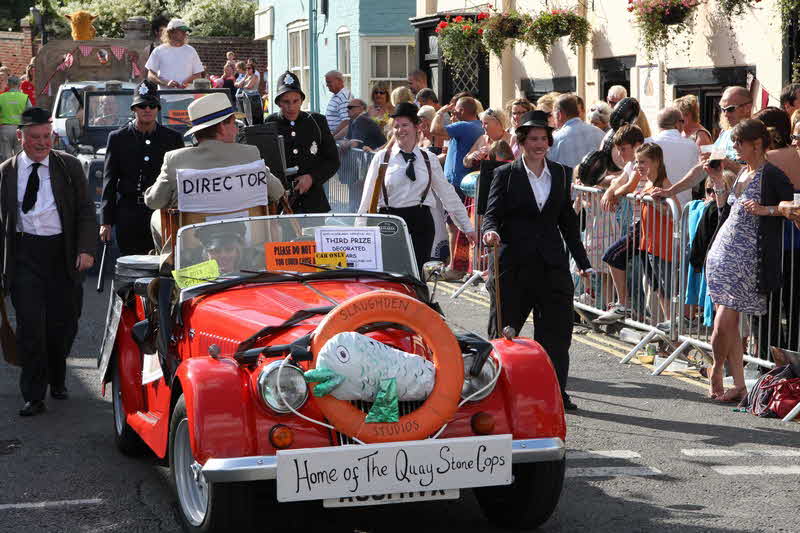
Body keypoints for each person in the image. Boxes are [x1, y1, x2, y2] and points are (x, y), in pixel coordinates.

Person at [482, 109, 592, 411]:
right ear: (522, 141)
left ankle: (556, 391)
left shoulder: (559, 173)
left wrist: (582, 261)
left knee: (556, 335)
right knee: (505, 332)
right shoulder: (505, 175)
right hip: (513, 266)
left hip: (552, 265)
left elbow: (567, 221)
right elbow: (492, 214)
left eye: (544, 138)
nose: (539, 144)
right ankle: (498, 389)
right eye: (533, 138)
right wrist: (490, 231)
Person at [0, 107, 96, 416]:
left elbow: (85, 211)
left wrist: (85, 249)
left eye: (46, 137)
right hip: (25, 255)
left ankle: (57, 376)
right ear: (20, 137)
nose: (42, 143)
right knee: (30, 327)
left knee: (63, 324)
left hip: (62, 254)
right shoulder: (6, 172)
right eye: (35, 138)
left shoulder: (69, 167)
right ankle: (34, 394)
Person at [704, 119, 794, 402]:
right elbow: (728, 212)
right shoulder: (743, 171)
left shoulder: (772, 175)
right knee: (728, 324)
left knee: (723, 322)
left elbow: (793, 206)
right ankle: (740, 385)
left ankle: (717, 369)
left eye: (738, 142)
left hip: (747, 259)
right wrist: (719, 182)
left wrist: (766, 209)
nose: (734, 147)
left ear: (756, 144)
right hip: (721, 253)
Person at [145, 93, 285, 243]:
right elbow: (278, 191)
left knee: (155, 216)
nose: (237, 130)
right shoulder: (249, 154)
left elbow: (154, 202)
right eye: (234, 124)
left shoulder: (176, 160)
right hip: (247, 245)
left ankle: (169, 262)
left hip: (194, 249)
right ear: (222, 127)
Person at [358, 102, 475, 273]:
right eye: (396, 126)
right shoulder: (382, 158)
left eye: (405, 125)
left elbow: (447, 194)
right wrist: (360, 233)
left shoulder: (429, 159)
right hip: (389, 221)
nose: (400, 130)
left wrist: (467, 227)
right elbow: (367, 196)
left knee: (417, 275)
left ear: (417, 127)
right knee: (393, 274)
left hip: (421, 221)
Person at [100, 80, 184, 256]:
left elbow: (180, 180)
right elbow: (110, 180)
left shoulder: (172, 139)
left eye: (152, 105)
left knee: (163, 265)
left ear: (158, 109)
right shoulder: (117, 138)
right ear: (134, 109)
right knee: (130, 266)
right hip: (128, 213)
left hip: (161, 213)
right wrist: (105, 221)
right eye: (142, 105)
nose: (147, 109)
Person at [652, 86, 753, 201]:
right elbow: (701, 169)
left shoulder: (755, 134)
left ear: (747, 108)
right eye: (722, 109)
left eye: (730, 109)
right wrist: (670, 191)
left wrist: (726, 162)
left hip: (743, 202)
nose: (725, 114)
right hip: (721, 201)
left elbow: (758, 173)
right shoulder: (724, 134)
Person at [593, 125, 647, 324]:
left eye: (623, 148)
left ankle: (623, 305)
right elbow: (620, 179)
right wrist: (610, 191)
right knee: (647, 275)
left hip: (646, 223)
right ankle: (628, 307)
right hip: (636, 222)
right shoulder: (631, 164)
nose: (619, 153)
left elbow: (630, 185)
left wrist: (613, 193)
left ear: (637, 145)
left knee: (612, 255)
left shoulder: (642, 162)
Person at [264, 71, 339, 213]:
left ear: (302, 100)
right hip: (281, 204)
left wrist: (312, 178)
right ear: (279, 102)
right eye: (286, 102)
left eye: (295, 101)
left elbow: (333, 161)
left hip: (313, 203)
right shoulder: (270, 124)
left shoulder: (316, 122)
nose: (291, 107)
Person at [430, 96, 484, 279]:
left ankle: (455, 267)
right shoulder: (470, 126)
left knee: (454, 226)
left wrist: (440, 112)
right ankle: (459, 265)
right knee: (457, 226)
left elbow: (434, 130)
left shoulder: (466, 126)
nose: (453, 111)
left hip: (458, 184)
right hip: (459, 182)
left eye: (456, 109)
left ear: (461, 110)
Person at [633, 143, 681, 330]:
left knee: (667, 289)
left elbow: (675, 211)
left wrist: (654, 204)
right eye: (637, 162)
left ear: (656, 162)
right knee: (658, 289)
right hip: (649, 243)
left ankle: (672, 328)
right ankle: (668, 325)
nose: (639, 166)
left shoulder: (665, 184)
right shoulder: (648, 182)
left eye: (643, 162)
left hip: (663, 245)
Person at [651, 106, 699, 205]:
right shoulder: (691, 145)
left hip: (654, 206)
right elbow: (696, 178)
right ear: (678, 124)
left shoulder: (647, 143)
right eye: (683, 121)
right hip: (682, 207)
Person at [145, 18, 204, 90]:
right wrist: (165, 83)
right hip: (165, 98)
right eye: (182, 31)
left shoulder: (191, 50)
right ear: (171, 32)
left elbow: (198, 75)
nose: (185, 34)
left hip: (188, 97)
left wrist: (185, 82)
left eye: (185, 31)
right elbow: (150, 75)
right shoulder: (158, 51)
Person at [549, 94, 605, 168]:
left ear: (559, 115)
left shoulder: (555, 139)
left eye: (553, 115)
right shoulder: (600, 133)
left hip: (567, 179)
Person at [0, 76, 31, 161]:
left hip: (5, 129)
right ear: (19, 84)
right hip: (20, 129)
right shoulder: (24, 97)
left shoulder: (1, 97)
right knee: (20, 156)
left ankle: (6, 173)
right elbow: (30, 114)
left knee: (6, 157)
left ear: (8, 85)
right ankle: (19, 173)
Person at [325, 71, 352, 139]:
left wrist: (332, 137)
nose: (327, 85)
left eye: (329, 82)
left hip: (339, 140)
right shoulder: (337, 95)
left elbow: (346, 121)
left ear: (339, 81)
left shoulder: (343, 97)